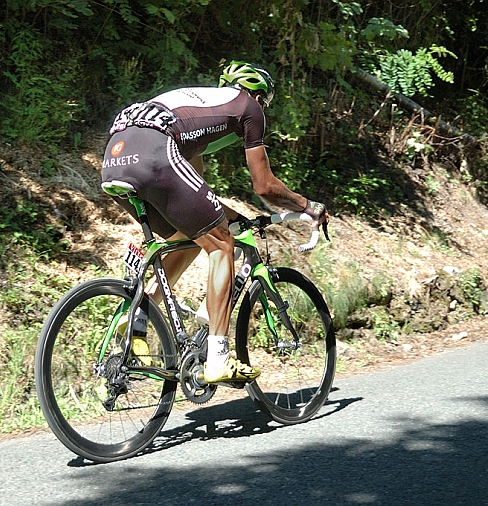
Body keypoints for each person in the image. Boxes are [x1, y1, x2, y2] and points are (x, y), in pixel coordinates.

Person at [101, 61, 328, 383]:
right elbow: (264, 186)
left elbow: (194, 197)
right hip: (154, 155)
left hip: (114, 159)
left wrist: (234, 218)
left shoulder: (195, 109)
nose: (262, 108)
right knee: (222, 245)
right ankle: (219, 357)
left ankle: (139, 313)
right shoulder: (249, 107)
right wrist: (308, 206)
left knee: (197, 234)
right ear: (259, 95)